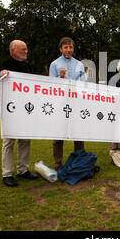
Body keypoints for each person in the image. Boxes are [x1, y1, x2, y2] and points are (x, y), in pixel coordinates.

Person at [0, 40, 39, 187]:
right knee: (8, 142)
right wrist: (0, 76)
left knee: (25, 141)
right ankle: (7, 174)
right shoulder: (4, 66)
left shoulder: (27, 66)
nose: (26, 52)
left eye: (26, 49)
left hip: (25, 111)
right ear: (13, 51)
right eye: (23, 49)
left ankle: (23, 170)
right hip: (9, 111)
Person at [49, 37, 87, 170]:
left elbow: (84, 84)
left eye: (71, 47)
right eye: (66, 47)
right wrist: (59, 77)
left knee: (78, 134)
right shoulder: (54, 64)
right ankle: (58, 164)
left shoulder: (80, 65)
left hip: (76, 103)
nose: (69, 50)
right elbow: (51, 86)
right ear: (61, 49)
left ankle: (78, 162)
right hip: (60, 104)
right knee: (58, 135)